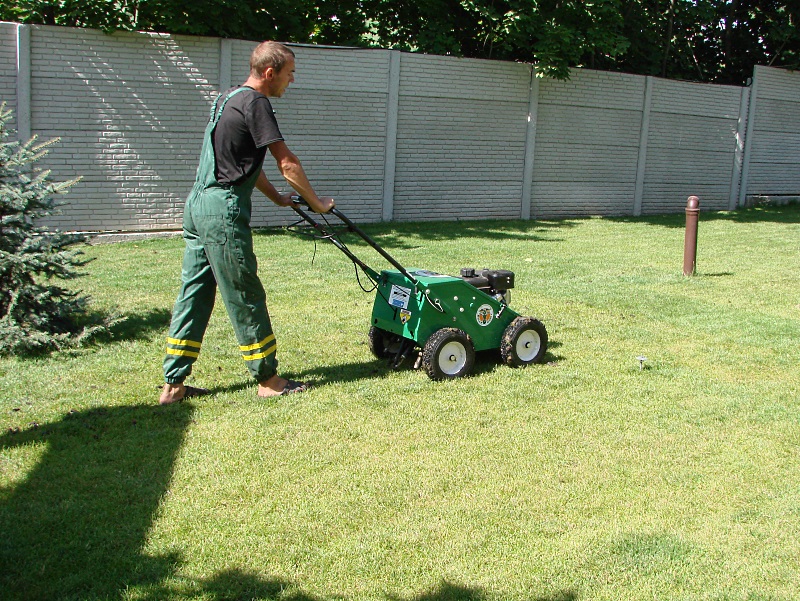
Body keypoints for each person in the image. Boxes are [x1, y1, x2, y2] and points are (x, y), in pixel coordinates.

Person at [159, 41, 334, 405]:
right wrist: (318, 204)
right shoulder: (257, 103)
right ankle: (268, 379)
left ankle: (173, 386)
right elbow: (286, 163)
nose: (291, 82)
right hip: (222, 212)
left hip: (197, 205)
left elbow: (243, 164)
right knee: (245, 294)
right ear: (269, 73)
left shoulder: (226, 99)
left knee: (194, 292)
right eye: (289, 75)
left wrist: (278, 199)